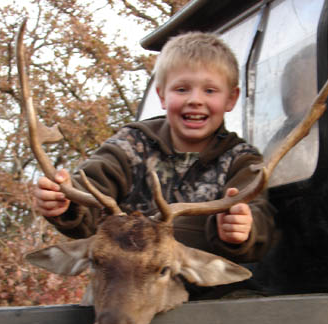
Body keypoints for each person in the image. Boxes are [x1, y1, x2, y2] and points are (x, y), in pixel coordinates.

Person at [34, 32, 275, 272]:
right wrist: (65, 201)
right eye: (182, 89)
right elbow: (91, 186)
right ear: (161, 95)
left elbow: (258, 216)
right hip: (128, 282)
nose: (195, 100)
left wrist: (242, 228)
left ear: (231, 99)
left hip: (208, 293)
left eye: (210, 91)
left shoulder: (241, 159)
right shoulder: (131, 144)